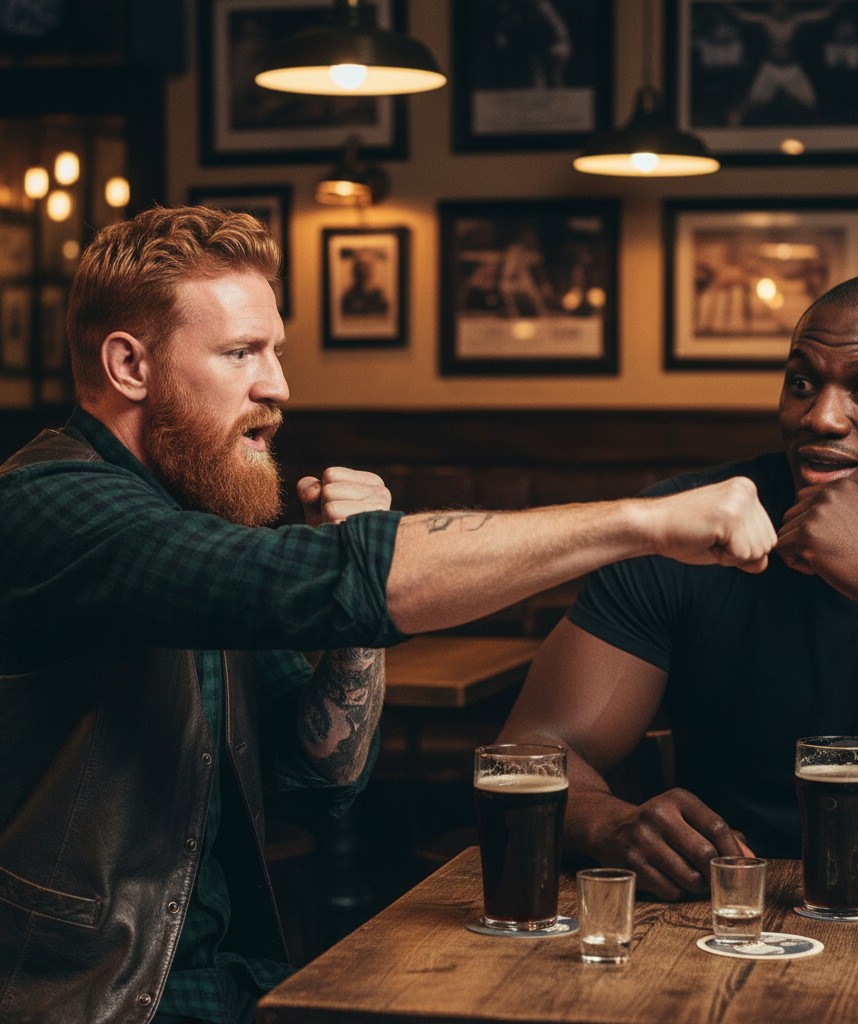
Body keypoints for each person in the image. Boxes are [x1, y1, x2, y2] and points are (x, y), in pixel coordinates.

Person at [0, 205, 776, 1024]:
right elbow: (346, 580)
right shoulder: (46, 507)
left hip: (226, 976)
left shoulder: (199, 516)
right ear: (129, 364)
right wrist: (643, 523)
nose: (279, 385)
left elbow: (322, 771)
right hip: (85, 997)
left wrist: (352, 607)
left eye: (275, 352)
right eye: (241, 354)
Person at [497, 272, 858, 902]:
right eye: (802, 383)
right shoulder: (686, 528)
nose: (821, 417)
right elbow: (529, 752)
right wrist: (609, 823)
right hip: (725, 916)